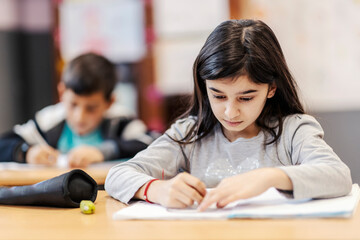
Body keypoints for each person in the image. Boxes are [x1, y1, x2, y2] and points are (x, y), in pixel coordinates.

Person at [104, 19, 352, 211]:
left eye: (246, 97)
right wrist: (155, 189)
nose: (230, 111)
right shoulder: (189, 133)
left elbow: (338, 175)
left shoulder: (293, 130)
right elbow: (117, 176)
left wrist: (270, 177)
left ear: (271, 89)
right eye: (219, 95)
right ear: (204, 87)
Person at [0, 52, 156, 168]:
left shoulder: (120, 120)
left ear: (110, 102)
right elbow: (4, 144)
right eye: (73, 104)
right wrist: (26, 152)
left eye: (91, 108)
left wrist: (103, 152)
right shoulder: (49, 120)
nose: (79, 117)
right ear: (62, 94)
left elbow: (152, 142)